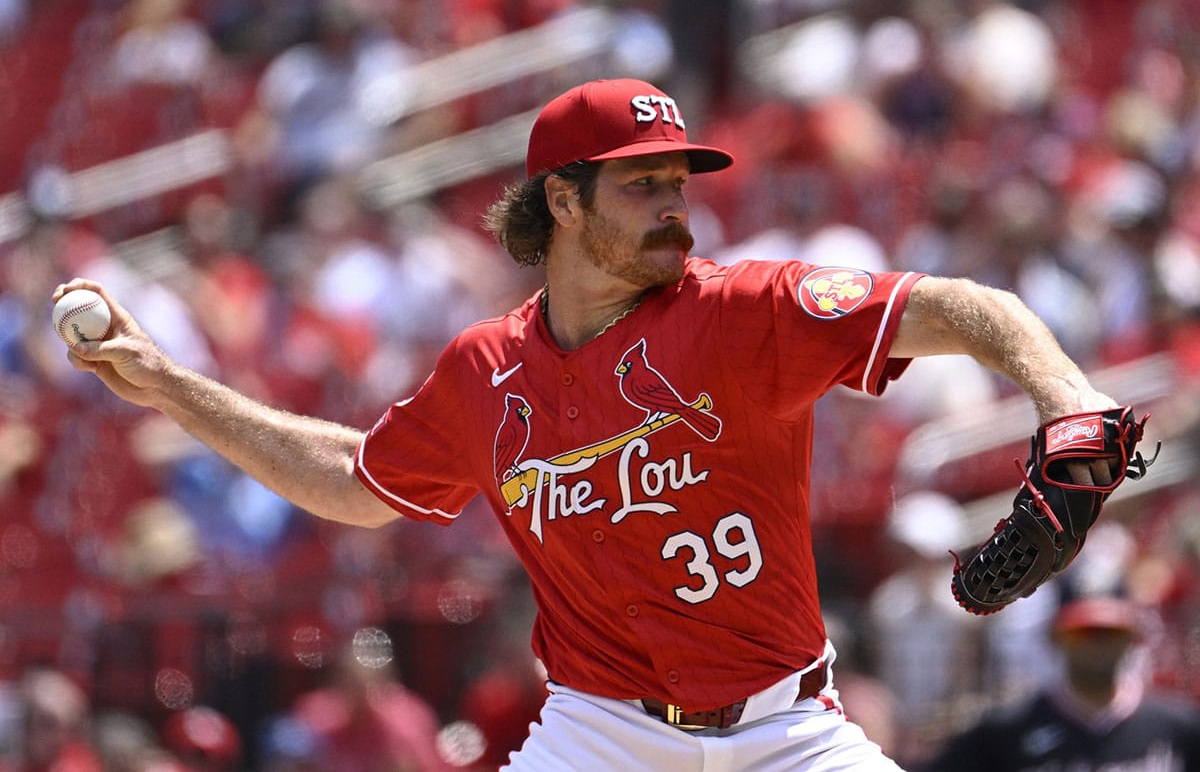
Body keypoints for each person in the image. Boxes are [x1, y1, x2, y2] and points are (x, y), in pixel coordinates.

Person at [56, 77, 1126, 771]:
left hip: (788, 730)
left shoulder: (742, 308)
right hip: (600, 732)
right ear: (560, 202)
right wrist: (165, 382)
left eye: (680, 181)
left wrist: (1067, 398)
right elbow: (352, 478)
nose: (676, 202)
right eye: (642, 184)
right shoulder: (485, 371)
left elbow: (963, 307)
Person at [920, 594, 1200, 771]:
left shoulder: (1177, 726)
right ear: (1056, 638)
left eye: (1110, 634)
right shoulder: (1007, 730)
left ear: (1131, 640)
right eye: (1083, 634)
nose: (1097, 645)